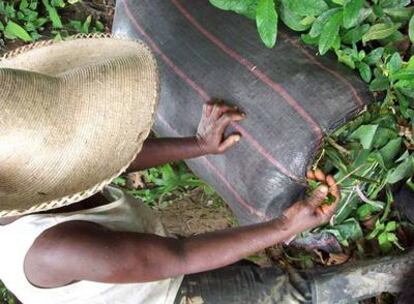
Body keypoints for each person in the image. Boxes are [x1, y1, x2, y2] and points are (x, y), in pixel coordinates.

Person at [1, 36, 412, 304]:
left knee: (253, 280)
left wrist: (198, 145)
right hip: (168, 293)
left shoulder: (43, 179)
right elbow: (178, 255)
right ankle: (399, 274)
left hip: (150, 262)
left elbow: (110, 157)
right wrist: (285, 226)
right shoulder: (57, 248)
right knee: (291, 294)